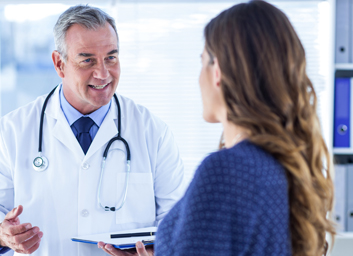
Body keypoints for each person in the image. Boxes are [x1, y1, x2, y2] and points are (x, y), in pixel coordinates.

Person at [99, 1, 336, 256]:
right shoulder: (285, 165)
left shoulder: (225, 173)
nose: (198, 76)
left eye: (203, 62)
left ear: (218, 71)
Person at [0, 5, 185, 256]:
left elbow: (176, 223)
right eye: (87, 60)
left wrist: (158, 252)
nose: (103, 73)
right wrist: (3, 235)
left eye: (111, 57)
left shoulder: (153, 132)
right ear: (59, 64)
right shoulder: (11, 131)